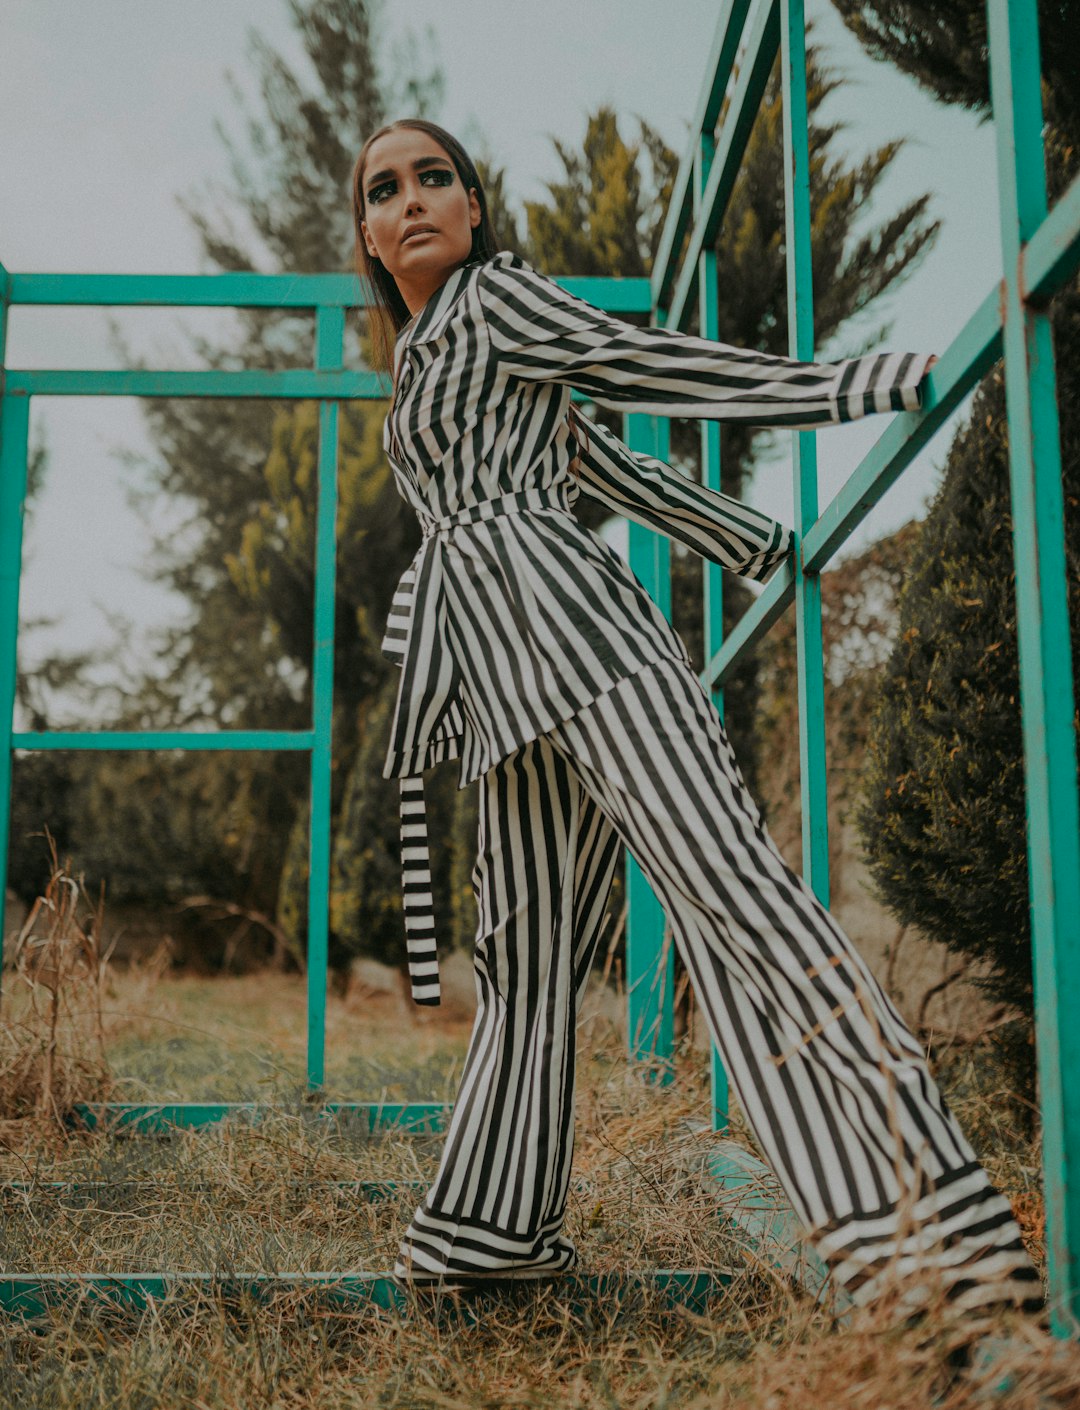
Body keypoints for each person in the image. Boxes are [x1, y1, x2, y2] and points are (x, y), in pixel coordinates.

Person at [350, 117, 1044, 1321]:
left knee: (730, 894)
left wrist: (841, 388)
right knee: (520, 958)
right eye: (383, 188)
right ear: (364, 230)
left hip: (584, 637)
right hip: (497, 679)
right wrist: (745, 536)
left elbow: (638, 362)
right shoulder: (419, 359)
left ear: (473, 208)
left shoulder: (502, 295)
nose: (412, 199)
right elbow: (604, 462)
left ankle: (928, 1223)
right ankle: (490, 1231)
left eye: (436, 177)